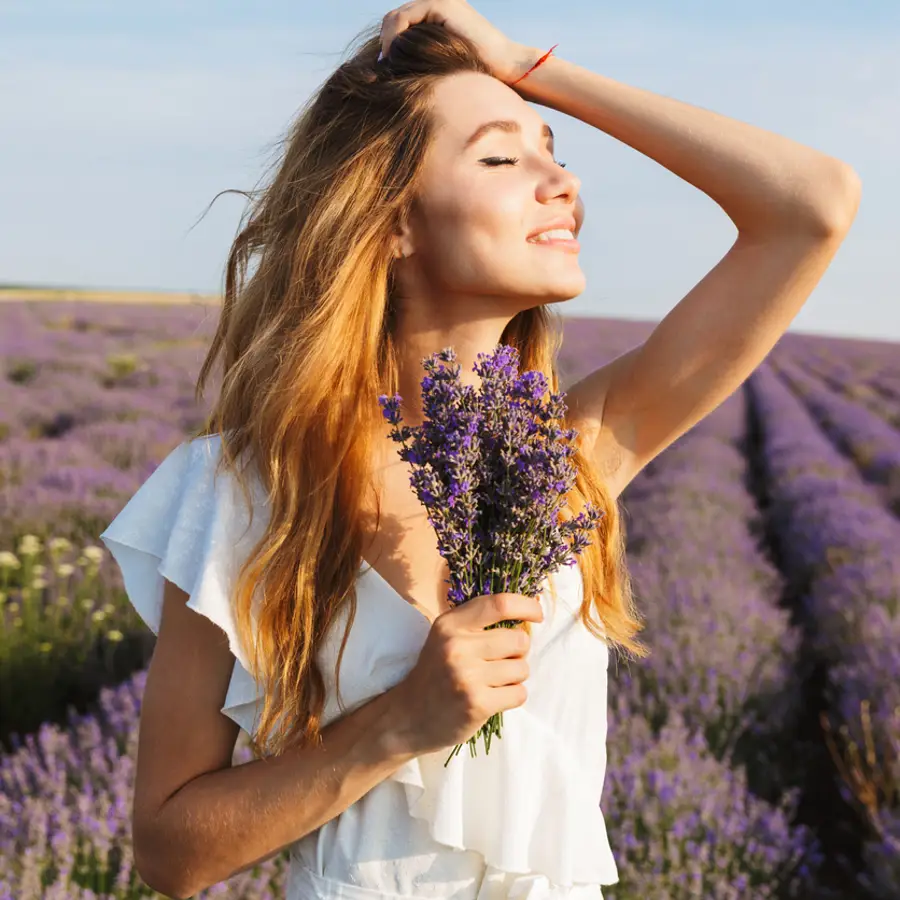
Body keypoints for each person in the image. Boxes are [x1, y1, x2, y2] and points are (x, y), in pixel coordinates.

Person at [99, 2, 860, 898]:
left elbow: (811, 206)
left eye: (557, 153)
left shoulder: (572, 457)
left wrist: (528, 66)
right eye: (502, 157)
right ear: (391, 224)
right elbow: (171, 852)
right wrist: (400, 723)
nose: (559, 182)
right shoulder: (245, 492)